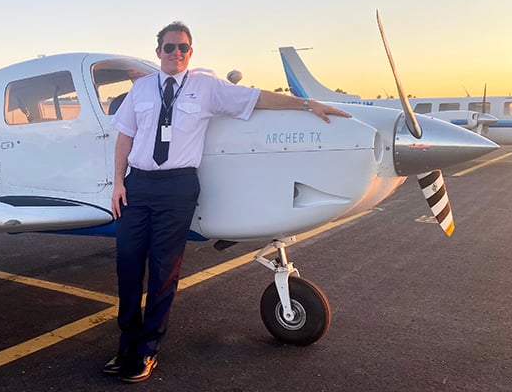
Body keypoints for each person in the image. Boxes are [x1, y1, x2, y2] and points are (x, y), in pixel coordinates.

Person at [103, 21, 351, 383]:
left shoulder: (206, 87)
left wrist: (306, 103)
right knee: (127, 267)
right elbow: (125, 137)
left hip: (177, 187)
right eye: (169, 47)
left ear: (191, 53)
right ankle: (126, 345)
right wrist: (117, 185)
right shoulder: (141, 89)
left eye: (183, 48)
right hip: (137, 186)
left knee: (162, 272)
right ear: (158, 52)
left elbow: (257, 98)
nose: (176, 53)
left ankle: (147, 350)